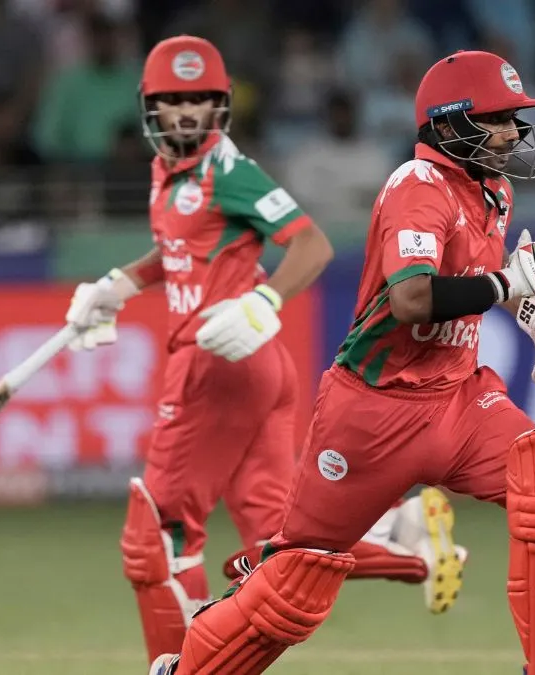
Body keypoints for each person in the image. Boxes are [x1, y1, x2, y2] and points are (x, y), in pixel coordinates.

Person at [148, 50, 535, 675]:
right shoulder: (416, 187)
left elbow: (478, 278)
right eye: (497, 119)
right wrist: (511, 281)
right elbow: (412, 299)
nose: (512, 133)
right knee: (294, 583)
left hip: (460, 402)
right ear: (448, 123)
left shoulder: (492, 188)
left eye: (513, 119)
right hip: (373, 413)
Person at [65, 35, 465, 668]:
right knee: (280, 539)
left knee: (158, 534)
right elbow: (180, 251)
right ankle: (410, 543)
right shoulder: (169, 171)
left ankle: (181, 666)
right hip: (257, 370)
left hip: (219, 360)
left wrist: (266, 299)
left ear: (221, 105)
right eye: (173, 101)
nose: (187, 114)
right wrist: (119, 285)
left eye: (199, 100)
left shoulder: (229, 172)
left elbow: (311, 246)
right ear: (150, 107)